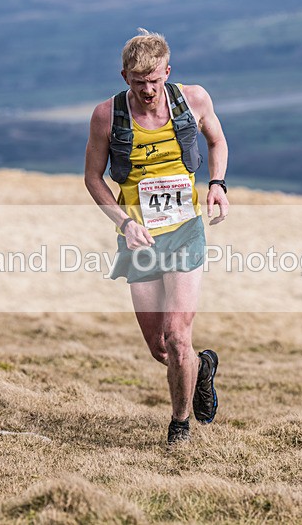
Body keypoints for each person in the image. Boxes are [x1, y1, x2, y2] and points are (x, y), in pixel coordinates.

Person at [83, 29, 229, 446]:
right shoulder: (106, 116)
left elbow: (216, 140)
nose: (147, 90)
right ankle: (200, 367)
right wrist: (124, 223)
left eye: (154, 81)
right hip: (139, 239)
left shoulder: (194, 99)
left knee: (177, 335)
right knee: (160, 347)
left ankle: (179, 427)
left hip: (185, 232)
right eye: (137, 81)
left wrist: (217, 183)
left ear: (168, 71)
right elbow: (93, 178)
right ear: (124, 75)